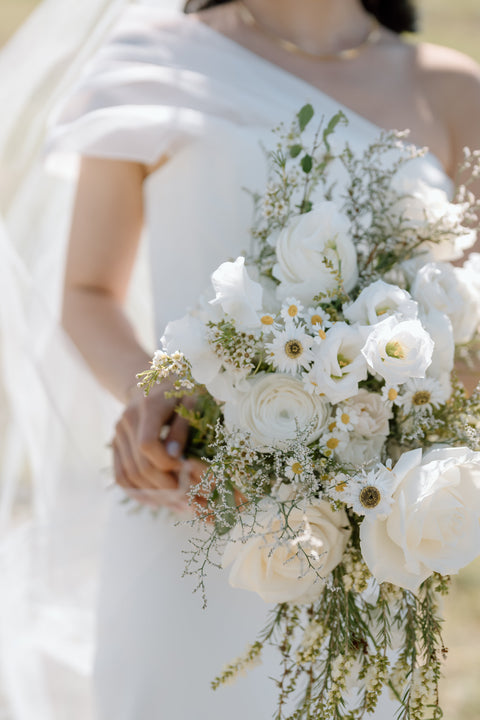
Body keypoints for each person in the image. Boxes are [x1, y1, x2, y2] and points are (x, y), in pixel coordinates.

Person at [3, 0, 480, 718]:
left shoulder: (453, 90)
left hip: (367, 539)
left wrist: (391, 425)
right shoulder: (154, 58)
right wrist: (153, 391)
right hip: (189, 507)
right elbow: (86, 289)